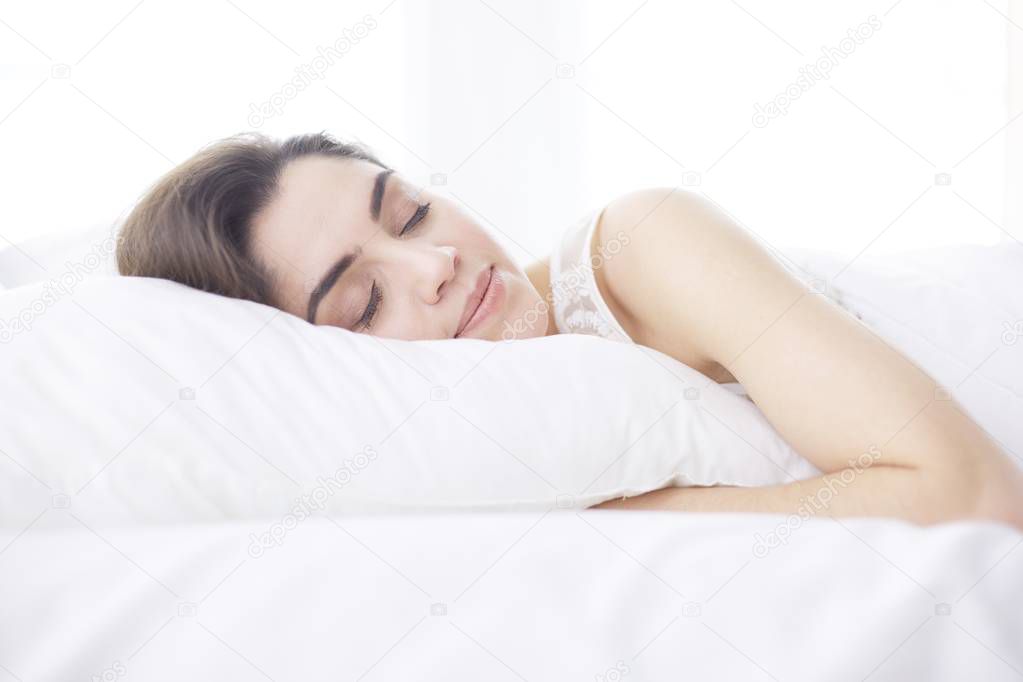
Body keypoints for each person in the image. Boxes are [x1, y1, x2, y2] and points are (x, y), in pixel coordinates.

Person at [116, 131, 1023, 529]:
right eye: (363, 303)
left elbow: (973, 498)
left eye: (411, 213)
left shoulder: (641, 243)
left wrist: (641, 515)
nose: (433, 265)